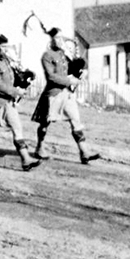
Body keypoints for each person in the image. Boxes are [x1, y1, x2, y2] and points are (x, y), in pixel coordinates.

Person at [32, 28, 102, 164]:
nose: (60, 41)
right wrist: (70, 81)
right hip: (54, 94)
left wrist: (81, 71)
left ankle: (84, 152)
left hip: (67, 94)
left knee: (75, 121)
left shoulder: (63, 54)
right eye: (57, 38)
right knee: (44, 123)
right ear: (51, 39)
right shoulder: (47, 56)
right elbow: (51, 77)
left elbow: (71, 68)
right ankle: (40, 147)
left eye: (61, 38)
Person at [0, 35, 39, 173]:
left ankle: (26, 159)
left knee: (17, 129)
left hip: (8, 103)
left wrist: (25, 78)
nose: (6, 50)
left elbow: (13, 79)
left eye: (7, 47)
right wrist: (16, 92)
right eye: (2, 47)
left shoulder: (6, 61)